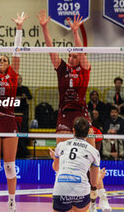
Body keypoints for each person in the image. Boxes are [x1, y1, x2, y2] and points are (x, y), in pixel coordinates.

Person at [0, 12, 29, 212]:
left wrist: (19, 28)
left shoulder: (13, 74)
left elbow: (17, 52)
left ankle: (12, 200)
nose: (1, 61)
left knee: (10, 167)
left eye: (5, 60)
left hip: (10, 122)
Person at [38, 10, 94, 146]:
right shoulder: (62, 68)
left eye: (74, 56)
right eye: (69, 55)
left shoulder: (84, 69)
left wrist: (75, 32)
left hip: (81, 113)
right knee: (63, 154)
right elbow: (51, 50)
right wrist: (45, 28)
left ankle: (95, 169)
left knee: (90, 152)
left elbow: (81, 52)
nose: (70, 58)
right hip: (64, 114)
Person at [49, 117, 105, 212]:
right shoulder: (94, 151)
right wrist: (99, 176)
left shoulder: (61, 145)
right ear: (89, 132)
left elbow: (55, 168)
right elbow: (94, 183)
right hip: (81, 193)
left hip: (61, 191)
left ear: (73, 130)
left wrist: (56, 158)